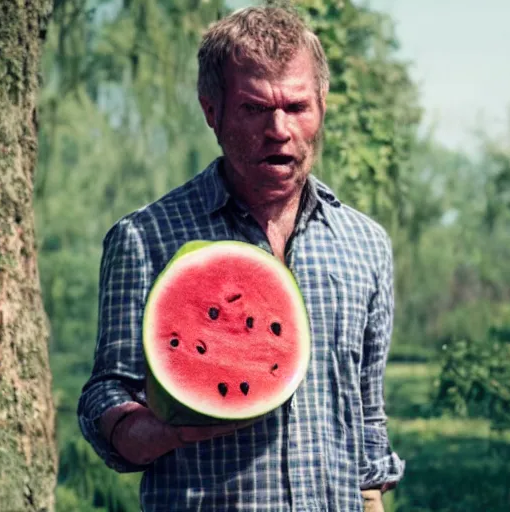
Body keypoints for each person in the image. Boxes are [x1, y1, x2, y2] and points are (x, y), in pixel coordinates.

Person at [78, 5, 404, 511]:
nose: (279, 129)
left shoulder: (365, 244)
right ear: (213, 111)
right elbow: (105, 395)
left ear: (322, 104)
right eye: (255, 108)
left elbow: (368, 421)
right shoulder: (144, 237)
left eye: (297, 107)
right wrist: (171, 430)